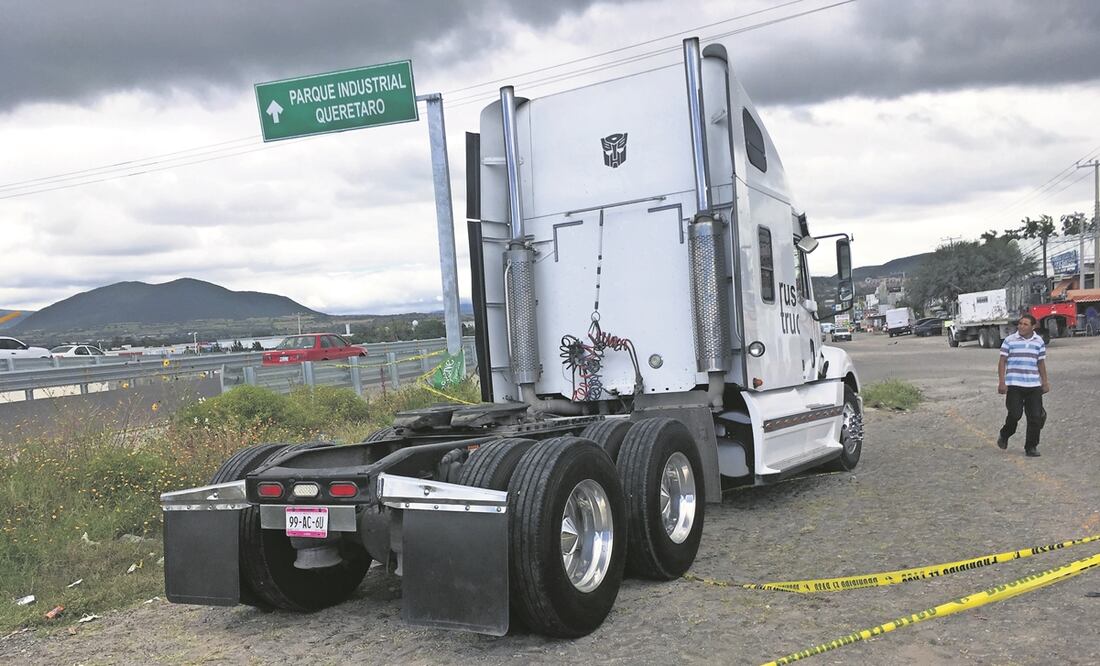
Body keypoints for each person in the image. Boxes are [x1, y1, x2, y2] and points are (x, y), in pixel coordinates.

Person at [996, 314, 1050, 456]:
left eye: (1025, 324)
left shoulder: (1039, 342)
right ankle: (1005, 433)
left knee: (1035, 417)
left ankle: (1031, 447)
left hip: (1033, 385)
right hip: (1014, 384)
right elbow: (1002, 361)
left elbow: (1041, 363)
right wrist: (1002, 381)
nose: (1021, 326)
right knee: (1015, 414)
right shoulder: (1009, 340)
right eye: (1020, 323)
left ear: (1033, 327)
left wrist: (1044, 382)